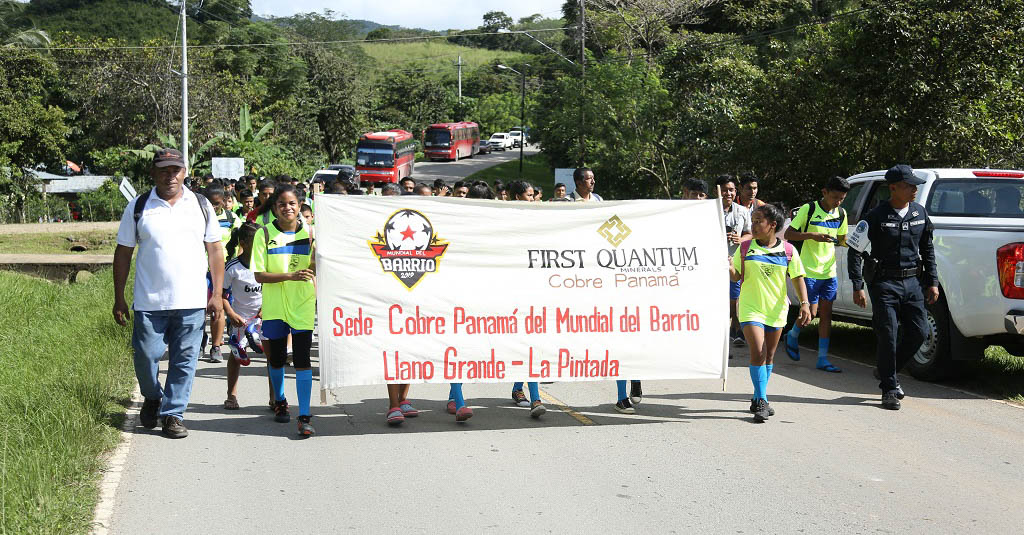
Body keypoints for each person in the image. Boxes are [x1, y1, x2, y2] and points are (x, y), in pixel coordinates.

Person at [112, 148, 224, 439]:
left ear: (184, 172)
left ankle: (173, 414)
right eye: (163, 169)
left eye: (175, 169)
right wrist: (119, 296)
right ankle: (152, 396)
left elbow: (215, 250)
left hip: (191, 301)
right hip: (149, 301)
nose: (170, 175)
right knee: (145, 356)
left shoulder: (200, 205)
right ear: (153, 173)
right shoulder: (139, 206)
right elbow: (123, 252)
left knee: (184, 361)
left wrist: (217, 294)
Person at [849, 165, 939, 410]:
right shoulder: (875, 216)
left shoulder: (920, 213)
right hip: (884, 284)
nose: (914, 189)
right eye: (909, 186)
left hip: (912, 283)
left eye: (915, 185)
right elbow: (855, 251)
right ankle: (889, 388)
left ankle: (887, 370)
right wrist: (858, 285)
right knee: (888, 334)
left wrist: (932, 281)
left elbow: (927, 249)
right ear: (893, 188)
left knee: (919, 332)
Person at [730, 204, 812, 423]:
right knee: (757, 351)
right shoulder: (745, 248)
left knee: (769, 355)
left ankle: (758, 396)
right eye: (753, 221)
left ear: (773, 225)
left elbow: (797, 277)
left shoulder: (788, 250)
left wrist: (804, 303)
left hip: (776, 309)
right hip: (750, 308)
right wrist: (728, 267)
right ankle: (762, 400)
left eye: (759, 221)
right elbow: (736, 277)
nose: (754, 226)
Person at [251, 184, 318, 436]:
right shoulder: (264, 235)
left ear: (300, 206)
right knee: (277, 358)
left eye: (292, 203)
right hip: (275, 307)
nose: (287, 208)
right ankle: (279, 400)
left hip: (302, 305)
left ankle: (304, 414)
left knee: (302, 359)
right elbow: (259, 275)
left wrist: (315, 263)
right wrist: (291, 275)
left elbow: (319, 265)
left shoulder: (312, 234)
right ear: (275, 208)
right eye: (282, 204)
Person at [783, 176, 850, 373]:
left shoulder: (841, 214)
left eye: (842, 199)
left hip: (829, 271)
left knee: (826, 314)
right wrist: (812, 235)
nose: (837, 202)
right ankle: (792, 335)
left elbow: (842, 239)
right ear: (824, 192)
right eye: (835, 197)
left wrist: (849, 242)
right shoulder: (809, 209)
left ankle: (822, 359)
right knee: (809, 314)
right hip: (808, 270)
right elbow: (789, 235)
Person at [221, 222, 263, 411]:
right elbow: (220, 295)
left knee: (272, 357)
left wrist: (266, 309)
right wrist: (231, 313)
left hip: (264, 317)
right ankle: (232, 396)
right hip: (240, 319)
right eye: (257, 241)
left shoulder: (265, 264)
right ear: (244, 243)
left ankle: (275, 399)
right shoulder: (233, 267)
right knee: (236, 356)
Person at [201, 184, 242, 363]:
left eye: (217, 204)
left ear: (224, 202)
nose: (213, 207)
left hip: (223, 271)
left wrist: (236, 267)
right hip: (199, 271)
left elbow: (242, 244)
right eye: (210, 203)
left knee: (218, 309)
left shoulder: (232, 219)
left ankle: (216, 347)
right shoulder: (195, 217)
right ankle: (200, 338)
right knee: (199, 310)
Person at [716, 174, 753, 347]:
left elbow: (750, 233)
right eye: (724, 190)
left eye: (730, 190)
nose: (727, 193)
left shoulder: (743, 211)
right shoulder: (709, 210)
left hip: (734, 262)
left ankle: (734, 328)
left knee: (734, 297)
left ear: (735, 191)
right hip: (713, 263)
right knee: (717, 299)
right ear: (717, 191)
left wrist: (741, 239)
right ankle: (724, 333)